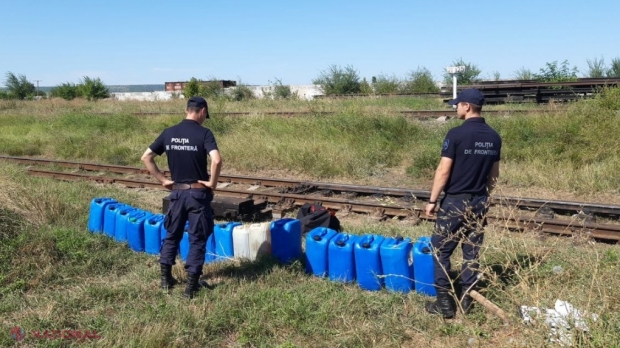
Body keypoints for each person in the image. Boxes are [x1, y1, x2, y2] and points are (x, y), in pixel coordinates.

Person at [423, 89, 501, 318]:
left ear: (467, 106)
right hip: (480, 201)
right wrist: (485, 198)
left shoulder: (455, 134)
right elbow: (494, 175)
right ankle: (467, 301)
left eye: (457, 105)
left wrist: (432, 200)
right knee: (471, 252)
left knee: (440, 250)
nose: (455, 108)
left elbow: (443, 170)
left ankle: (444, 304)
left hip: (455, 201)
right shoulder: (494, 136)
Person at [141, 96, 222, 299]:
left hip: (176, 193)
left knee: (172, 235)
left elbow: (146, 157)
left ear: (187, 110)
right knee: (197, 238)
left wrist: (162, 180)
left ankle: (165, 280)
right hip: (197, 195)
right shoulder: (204, 133)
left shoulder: (170, 133)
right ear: (202, 111)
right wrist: (212, 183)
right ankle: (191, 287)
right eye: (205, 115)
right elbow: (217, 160)